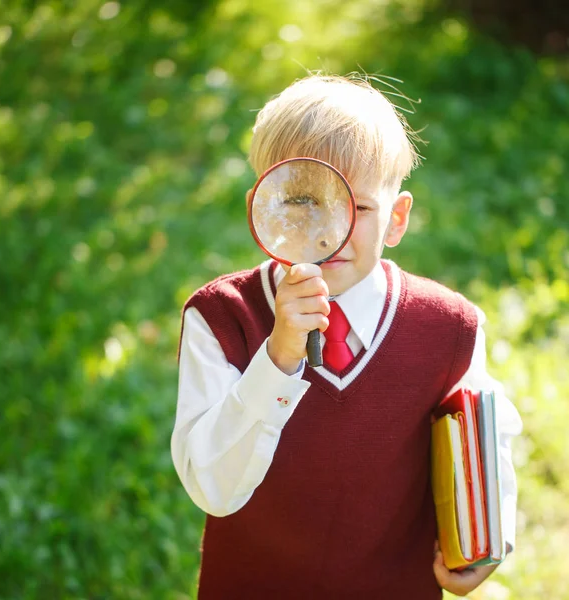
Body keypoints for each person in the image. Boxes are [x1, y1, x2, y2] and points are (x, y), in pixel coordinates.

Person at [171, 74, 523, 599]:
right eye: (301, 201)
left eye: (357, 208)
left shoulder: (449, 328)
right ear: (261, 207)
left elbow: (483, 435)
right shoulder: (221, 319)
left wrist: (488, 539)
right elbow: (213, 488)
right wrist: (277, 360)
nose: (326, 229)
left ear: (397, 219)